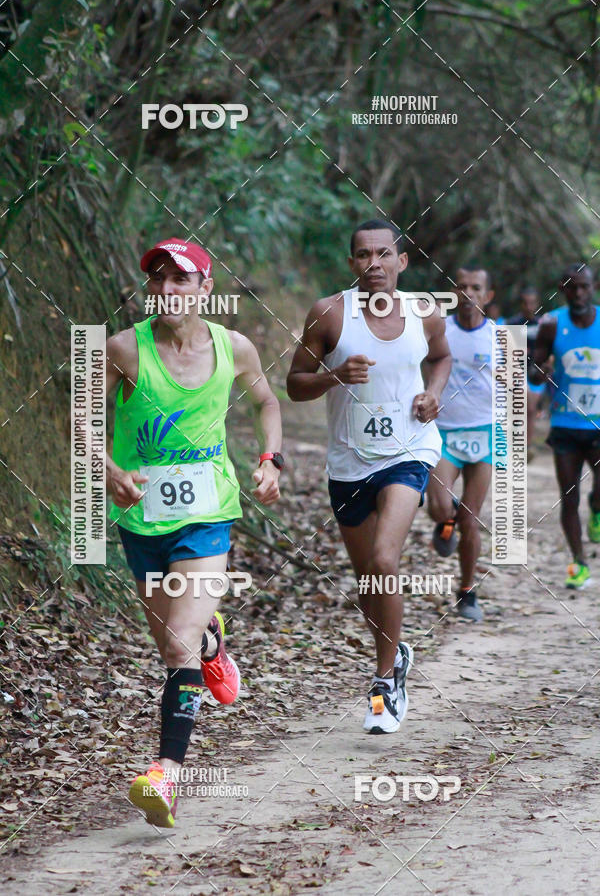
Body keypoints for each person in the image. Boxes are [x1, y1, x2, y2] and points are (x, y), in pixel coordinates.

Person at [105, 238, 283, 826]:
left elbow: (266, 402)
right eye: (159, 279)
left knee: (174, 646)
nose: (168, 290)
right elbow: (81, 420)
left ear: (206, 290)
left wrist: (270, 459)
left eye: (182, 280)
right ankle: (212, 642)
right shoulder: (123, 350)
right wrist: (107, 470)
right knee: (176, 647)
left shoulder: (235, 348)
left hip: (208, 515)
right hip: (142, 521)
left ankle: (165, 775)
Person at [286, 219, 451, 734]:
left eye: (384, 254)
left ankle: (386, 683)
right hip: (350, 462)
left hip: (409, 451)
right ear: (352, 262)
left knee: (384, 558)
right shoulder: (330, 313)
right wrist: (334, 375)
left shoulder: (425, 311)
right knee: (368, 582)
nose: (373, 264)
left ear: (403, 261)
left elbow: (442, 357)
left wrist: (433, 394)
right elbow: (294, 385)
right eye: (363, 255)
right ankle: (395, 650)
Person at [427, 266, 495, 622]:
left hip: (483, 435)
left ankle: (467, 590)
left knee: (471, 519)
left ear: (488, 295)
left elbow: (515, 393)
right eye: (462, 286)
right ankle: (444, 521)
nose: (468, 293)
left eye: (476, 287)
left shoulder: (500, 338)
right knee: (440, 506)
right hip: (445, 433)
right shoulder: (441, 330)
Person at [532, 263, 600, 589]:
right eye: (572, 288)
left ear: (593, 287)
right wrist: (540, 372)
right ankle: (579, 563)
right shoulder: (551, 324)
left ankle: (597, 510)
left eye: (584, 287)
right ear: (562, 289)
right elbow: (534, 370)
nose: (579, 294)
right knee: (568, 495)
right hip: (564, 422)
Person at [507, 287, 545, 457]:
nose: (529, 306)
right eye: (525, 303)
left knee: (530, 409)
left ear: (537, 304)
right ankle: (515, 442)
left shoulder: (543, 325)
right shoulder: (513, 324)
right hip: (517, 374)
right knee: (519, 409)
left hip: (536, 375)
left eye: (532, 303)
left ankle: (526, 446)